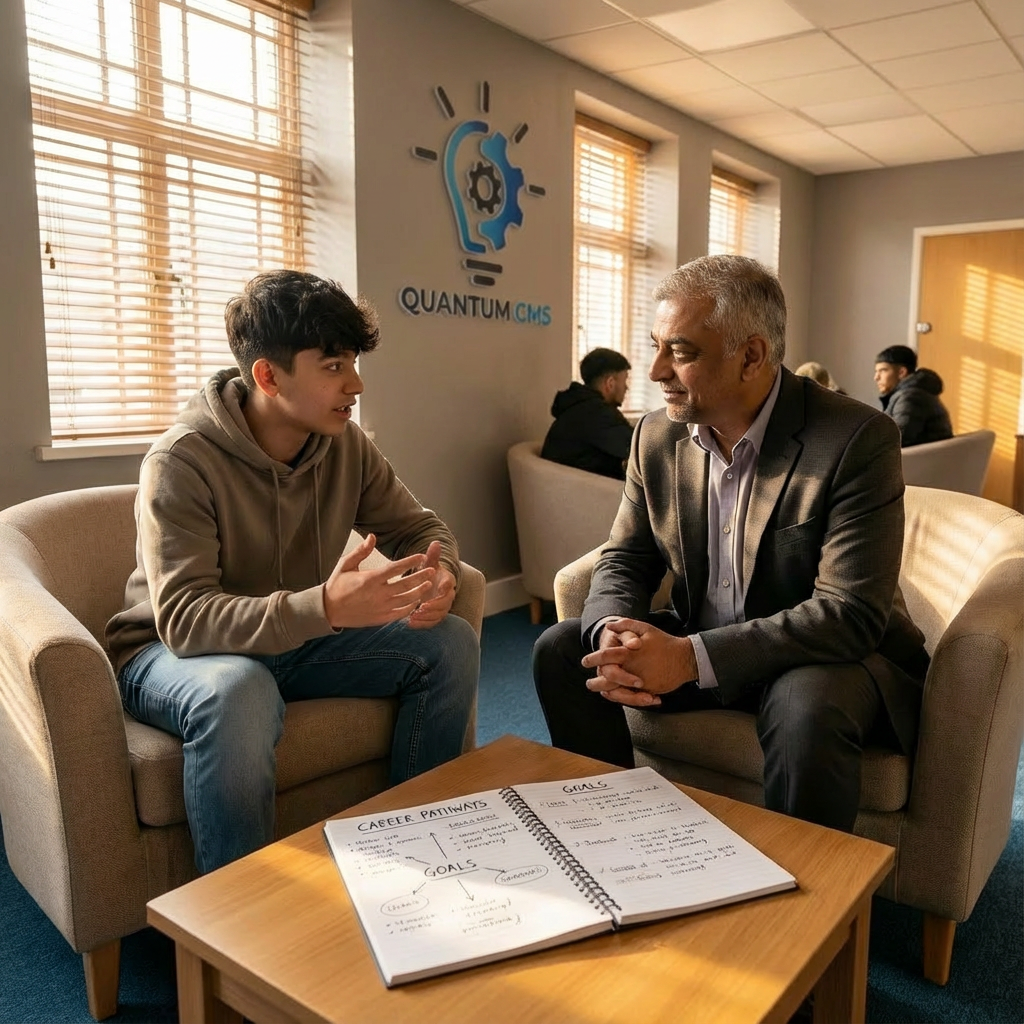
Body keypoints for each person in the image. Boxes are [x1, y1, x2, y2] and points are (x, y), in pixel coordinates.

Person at [533, 255, 929, 833]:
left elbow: (849, 613)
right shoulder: (655, 434)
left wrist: (688, 658)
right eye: (656, 347)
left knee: (804, 703)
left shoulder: (855, 438)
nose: (655, 371)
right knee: (564, 649)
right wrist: (612, 629)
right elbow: (626, 556)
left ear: (751, 356)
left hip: (821, 657)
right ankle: (615, 838)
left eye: (680, 352)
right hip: (702, 634)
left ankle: (805, 888)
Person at [106, 270, 479, 874]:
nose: (355, 383)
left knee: (449, 643)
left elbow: (420, 527)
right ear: (268, 376)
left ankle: (421, 851)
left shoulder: (346, 445)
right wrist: (325, 608)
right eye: (332, 366)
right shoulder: (180, 462)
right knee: (240, 690)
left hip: (294, 640)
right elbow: (185, 620)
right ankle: (233, 911)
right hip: (171, 652)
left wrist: (442, 575)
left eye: (353, 362)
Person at [541, 347, 634, 479]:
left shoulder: (579, 408)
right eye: (624, 381)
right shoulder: (597, 413)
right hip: (582, 490)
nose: (626, 388)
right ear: (610, 383)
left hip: (567, 486)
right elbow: (641, 448)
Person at [874, 344, 952, 447]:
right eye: (876, 371)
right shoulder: (914, 393)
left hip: (921, 457)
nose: (876, 377)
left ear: (901, 372)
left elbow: (897, 439)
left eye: (883, 370)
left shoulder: (911, 397)